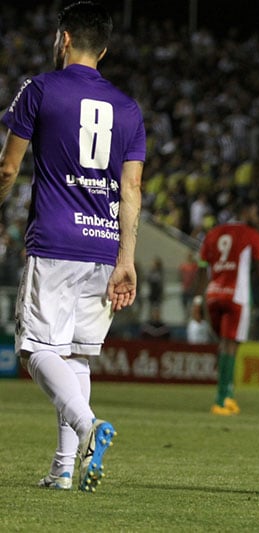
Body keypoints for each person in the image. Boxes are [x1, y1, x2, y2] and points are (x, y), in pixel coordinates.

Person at [0, 1, 145, 492]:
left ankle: (88, 427)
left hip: (56, 239)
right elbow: (131, 190)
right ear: (103, 50)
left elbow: (7, 168)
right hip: (105, 246)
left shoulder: (40, 89)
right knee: (76, 356)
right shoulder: (129, 109)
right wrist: (126, 259)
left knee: (36, 350)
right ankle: (63, 468)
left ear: (63, 38)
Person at [196, 201, 259, 415]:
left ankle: (227, 394)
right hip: (236, 296)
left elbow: (202, 266)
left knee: (225, 344)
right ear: (245, 212)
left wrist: (197, 300)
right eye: (257, 215)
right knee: (230, 345)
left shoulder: (213, 233)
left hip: (213, 295)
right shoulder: (252, 235)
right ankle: (222, 399)